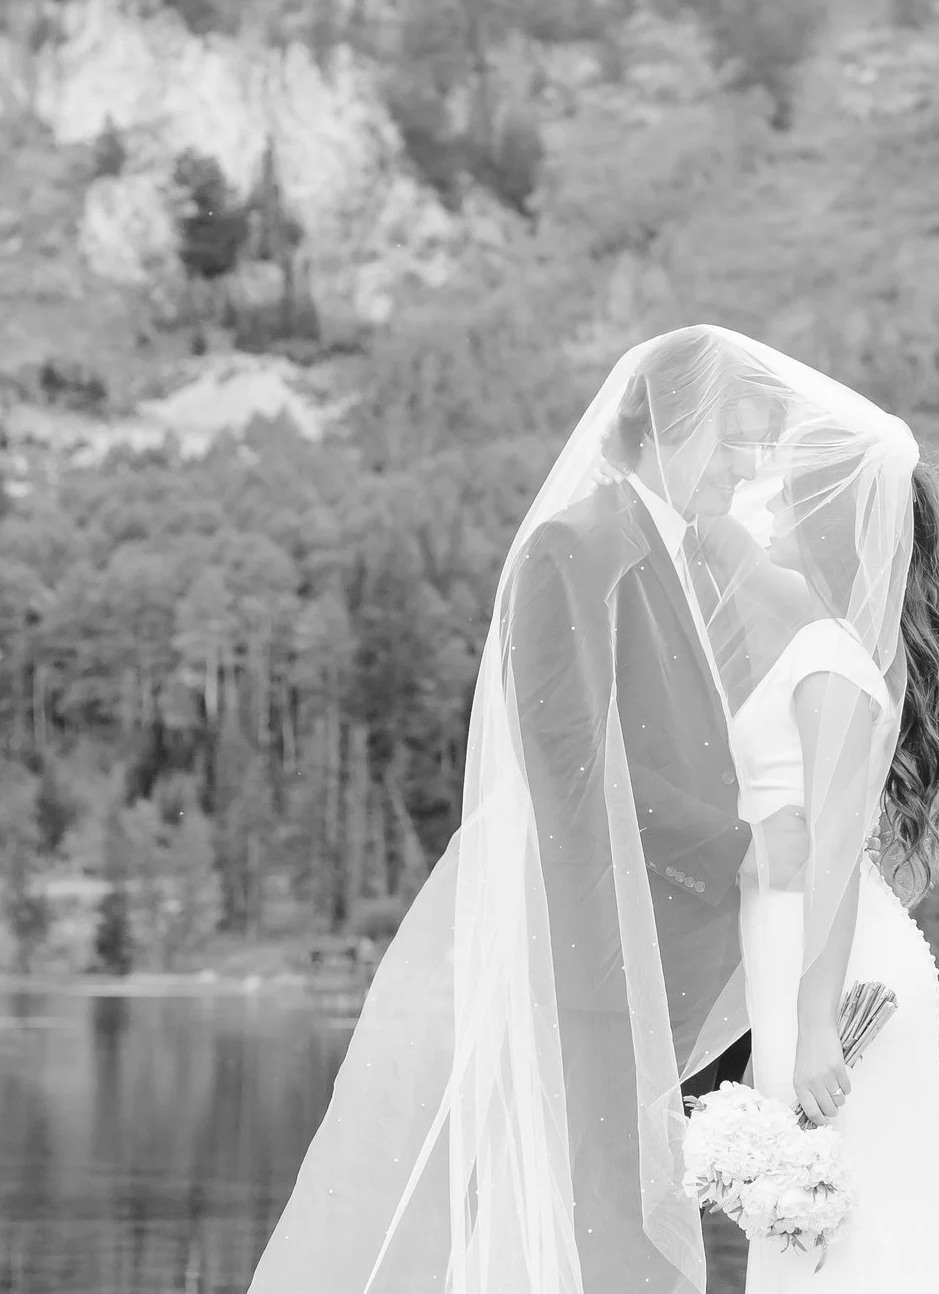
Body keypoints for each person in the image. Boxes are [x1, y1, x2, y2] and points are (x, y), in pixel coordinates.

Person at [245, 325, 807, 1294]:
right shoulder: (575, 545)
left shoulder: (691, 558)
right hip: (591, 963)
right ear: (677, 428)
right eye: (733, 440)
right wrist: (740, 846)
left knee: (636, 1223)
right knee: (602, 1229)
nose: (743, 468)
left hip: (678, 958)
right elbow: (571, 766)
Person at [698, 425, 939, 1291]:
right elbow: (715, 537)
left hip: (840, 977)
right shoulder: (812, 630)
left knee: (862, 1240)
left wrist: (813, 1023)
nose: (774, 501)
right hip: (803, 958)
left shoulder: (832, 662)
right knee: (826, 1239)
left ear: (832, 522)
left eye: (793, 490)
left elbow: (832, 850)